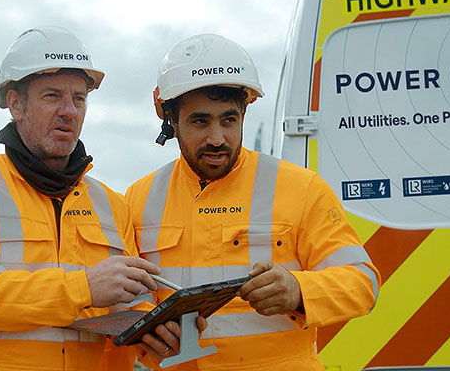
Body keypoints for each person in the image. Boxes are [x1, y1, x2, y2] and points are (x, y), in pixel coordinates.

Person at [126, 34, 382, 370]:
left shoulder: (300, 188)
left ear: (245, 113)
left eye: (228, 120)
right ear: (171, 121)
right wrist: (148, 324)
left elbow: (362, 283)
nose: (217, 138)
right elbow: (128, 296)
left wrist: (299, 290)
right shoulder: (138, 199)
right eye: (200, 121)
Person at [0, 26, 160, 370]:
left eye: (79, 98)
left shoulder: (110, 203)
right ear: (16, 104)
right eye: (52, 96)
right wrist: (83, 288)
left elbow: (132, 296)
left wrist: (156, 328)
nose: (69, 111)